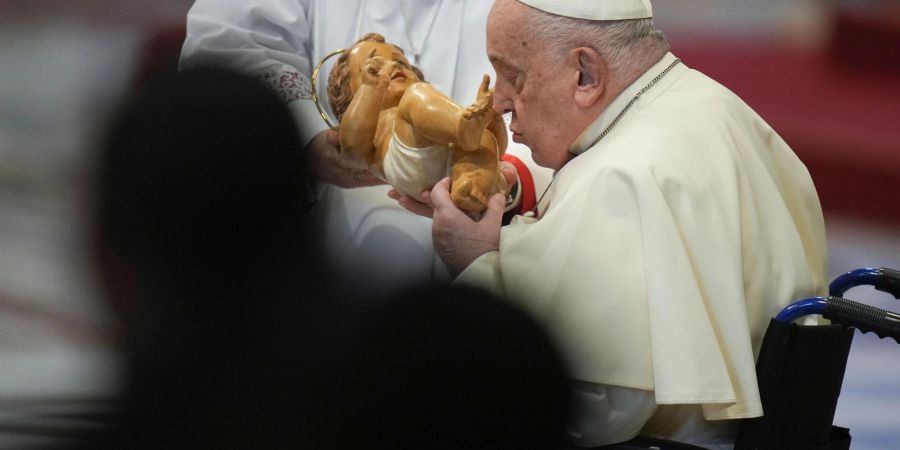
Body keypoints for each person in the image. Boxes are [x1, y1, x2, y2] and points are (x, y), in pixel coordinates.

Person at [402, 0, 829, 448]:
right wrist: (505, 191)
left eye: (515, 77)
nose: (499, 103)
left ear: (586, 74)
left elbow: (592, 413)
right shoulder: (711, 107)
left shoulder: (623, 176)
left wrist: (474, 262)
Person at [179, 0, 550, 301]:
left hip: (502, 246)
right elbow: (226, 44)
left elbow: (570, 78)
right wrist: (307, 136)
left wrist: (508, 184)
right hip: (348, 255)